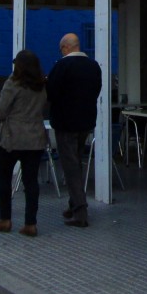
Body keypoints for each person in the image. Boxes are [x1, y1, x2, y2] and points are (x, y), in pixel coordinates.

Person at [46, 33, 102, 228]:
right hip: (86, 121)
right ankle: (73, 203)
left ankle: (80, 211)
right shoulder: (93, 66)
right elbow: (97, 89)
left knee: (70, 166)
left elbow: (50, 93)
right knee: (76, 161)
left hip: (65, 122)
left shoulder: (61, 66)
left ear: (65, 48)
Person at [0, 49, 48, 238]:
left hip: (12, 138)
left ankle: (5, 219)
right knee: (31, 182)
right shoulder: (42, 85)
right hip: (35, 138)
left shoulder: (12, 84)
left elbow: (0, 111)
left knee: (4, 179)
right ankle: (30, 223)